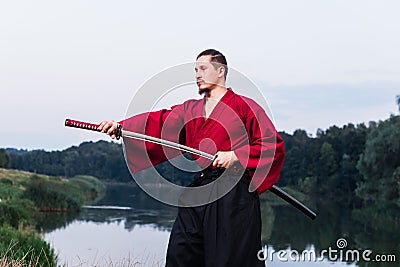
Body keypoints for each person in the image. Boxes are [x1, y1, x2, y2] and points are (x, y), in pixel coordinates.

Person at [98, 49, 285, 267]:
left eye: (203, 69)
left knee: (228, 258)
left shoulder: (245, 106)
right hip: (201, 189)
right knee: (182, 253)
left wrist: (235, 156)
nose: (197, 74)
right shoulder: (191, 109)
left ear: (220, 71)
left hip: (233, 195)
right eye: (195, 70)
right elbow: (159, 123)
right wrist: (123, 127)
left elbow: (272, 145)